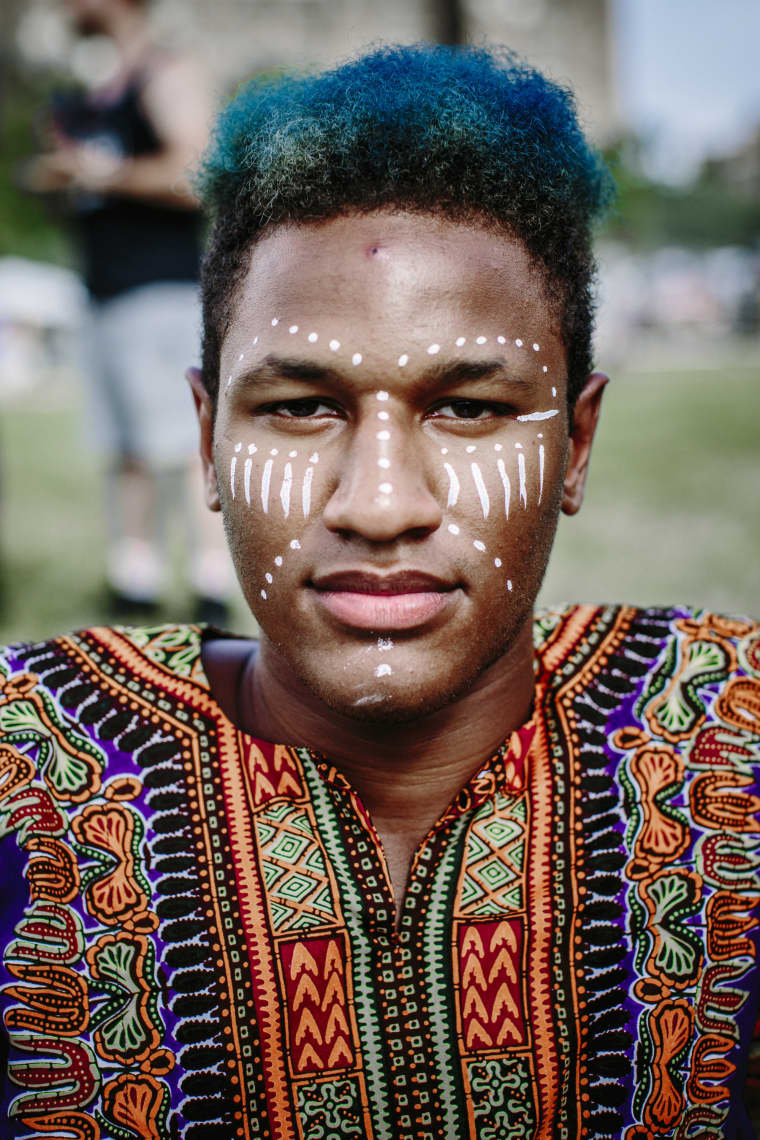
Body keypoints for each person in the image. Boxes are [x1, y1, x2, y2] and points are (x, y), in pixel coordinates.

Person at [2, 43, 759, 1140]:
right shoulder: (30, 765)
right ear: (208, 440)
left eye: (470, 407)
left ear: (576, 445)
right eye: (302, 406)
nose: (380, 503)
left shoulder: (726, 738)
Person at [23, 0, 231, 620]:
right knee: (127, 450)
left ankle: (208, 588)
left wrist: (102, 172)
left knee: (186, 443)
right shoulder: (85, 90)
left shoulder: (164, 74)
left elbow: (197, 174)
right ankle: (132, 580)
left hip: (160, 290)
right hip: (102, 292)